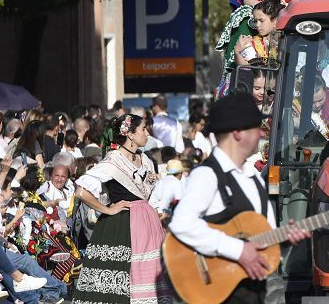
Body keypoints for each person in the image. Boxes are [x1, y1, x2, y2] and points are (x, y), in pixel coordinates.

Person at [168, 92, 309, 304]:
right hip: (221, 292)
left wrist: (286, 239)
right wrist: (238, 249)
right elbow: (181, 223)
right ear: (238, 133)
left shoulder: (254, 179)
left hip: (256, 292)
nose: (262, 134)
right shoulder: (207, 175)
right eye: (256, 127)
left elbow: (264, 238)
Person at [70, 114, 173, 304]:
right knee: (120, 281)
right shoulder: (113, 161)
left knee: (153, 279)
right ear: (130, 135)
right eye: (143, 129)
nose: (147, 134)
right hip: (123, 224)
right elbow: (81, 191)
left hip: (148, 224)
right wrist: (107, 209)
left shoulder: (147, 160)